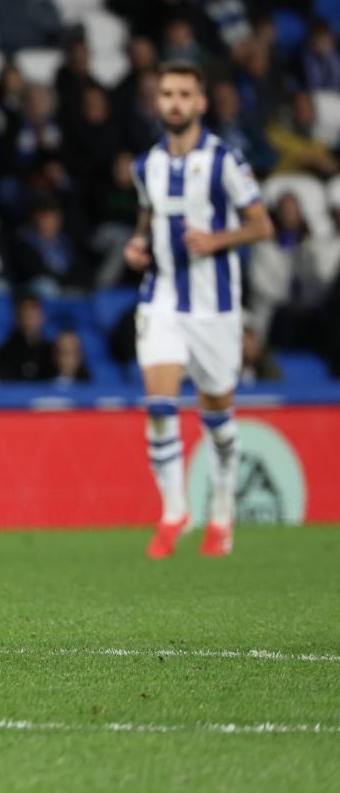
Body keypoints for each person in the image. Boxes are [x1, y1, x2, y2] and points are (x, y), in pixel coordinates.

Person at [125, 62, 272, 559]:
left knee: (217, 417)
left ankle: (224, 509)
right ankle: (174, 513)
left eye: (185, 94)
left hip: (215, 308)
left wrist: (217, 239)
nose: (175, 102)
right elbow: (146, 216)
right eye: (167, 93)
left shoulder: (225, 161)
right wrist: (138, 245)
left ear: (201, 102)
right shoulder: (146, 164)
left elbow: (261, 225)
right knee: (160, 407)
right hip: (162, 296)